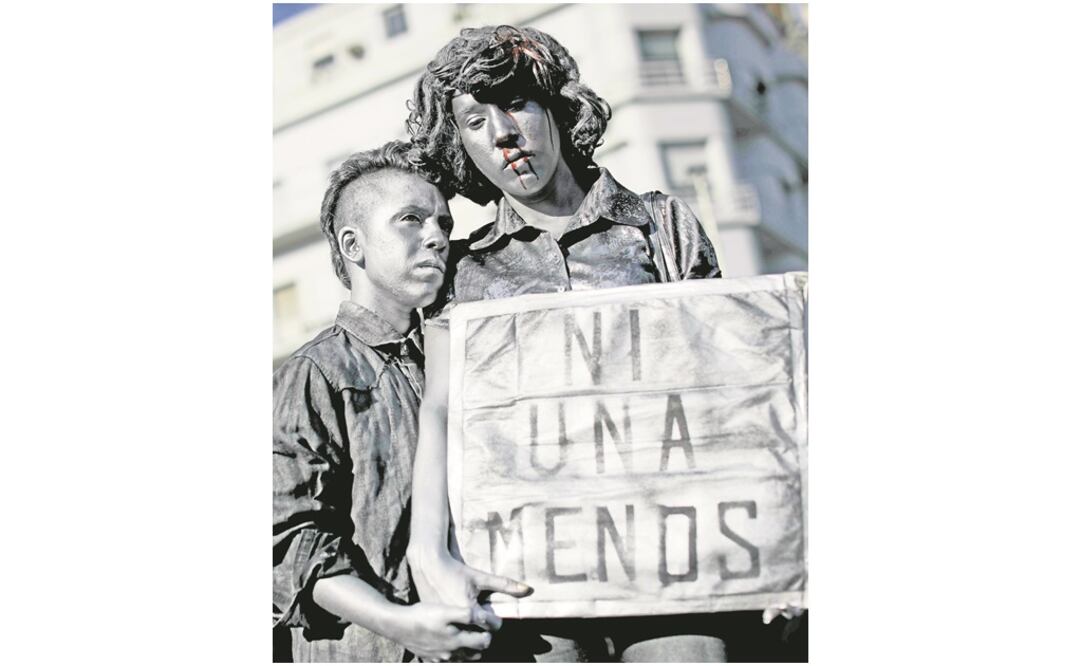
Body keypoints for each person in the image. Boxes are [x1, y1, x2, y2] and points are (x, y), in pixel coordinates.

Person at [405, 26, 741, 662]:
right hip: (532, 569)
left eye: (517, 104)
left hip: (673, 555)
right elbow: (443, 413)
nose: (502, 132)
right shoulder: (462, 271)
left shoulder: (659, 223)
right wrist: (432, 552)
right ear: (461, 147)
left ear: (557, 108)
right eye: (475, 120)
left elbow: (726, 386)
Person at [272, 141, 529, 662]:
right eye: (410, 220)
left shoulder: (470, 357)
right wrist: (402, 624)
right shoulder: (312, 374)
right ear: (353, 245)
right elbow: (285, 541)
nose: (436, 237)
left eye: (443, 225)